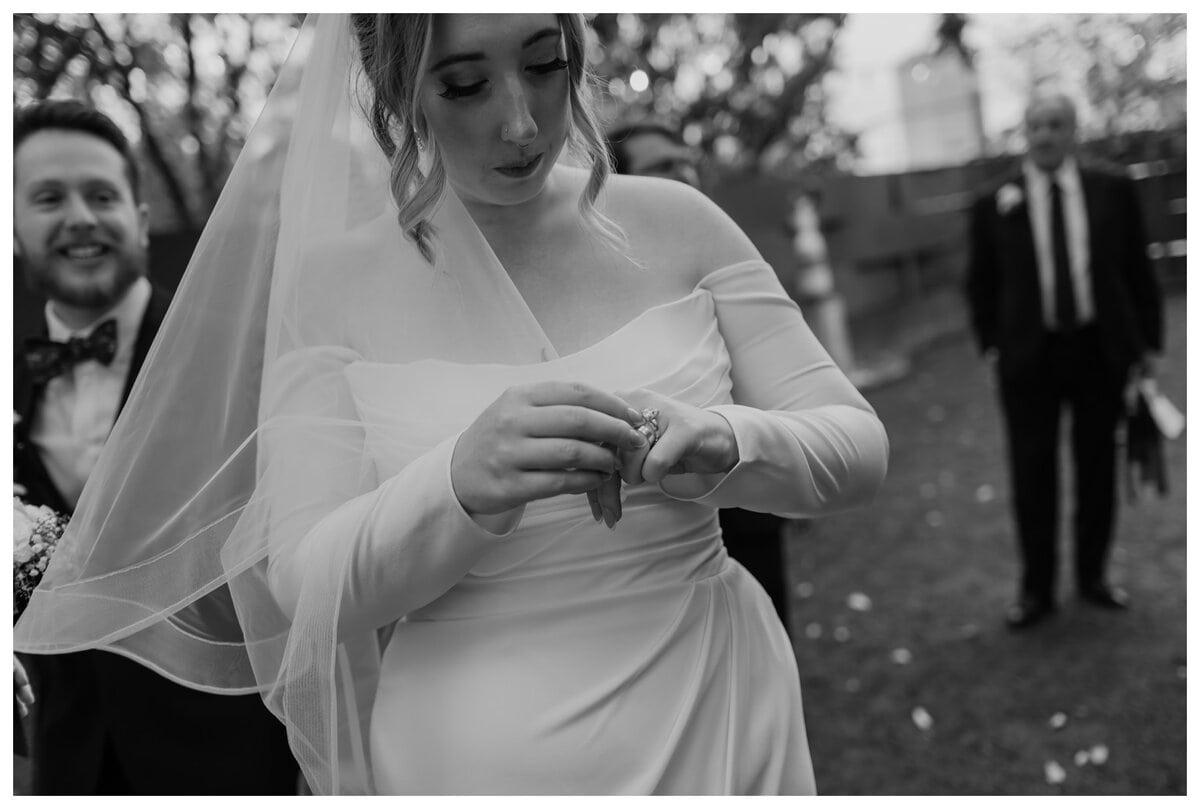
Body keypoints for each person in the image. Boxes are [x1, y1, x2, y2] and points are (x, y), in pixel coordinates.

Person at [15, 15, 888, 795]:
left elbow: (856, 444)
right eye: (465, 84)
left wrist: (732, 438)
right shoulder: (331, 286)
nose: (519, 121)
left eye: (544, 65)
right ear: (401, 95)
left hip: (719, 709)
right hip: (468, 758)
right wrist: (458, 483)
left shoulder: (681, 223)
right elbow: (304, 582)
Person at [12, 100, 299, 794]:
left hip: (225, 758)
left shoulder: (241, 357)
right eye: (49, 197)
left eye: (101, 195)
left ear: (140, 221)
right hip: (66, 761)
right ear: (13, 230)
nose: (79, 216)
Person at [965, 88, 1162, 630]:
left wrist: (1146, 345)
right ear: (1025, 134)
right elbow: (979, 282)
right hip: (1028, 358)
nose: (1045, 135)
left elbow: (1135, 268)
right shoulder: (994, 201)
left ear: (1074, 130)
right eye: (1036, 126)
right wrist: (991, 344)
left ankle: (1093, 577)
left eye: (1056, 124)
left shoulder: (1112, 190)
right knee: (1032, 475)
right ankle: (1037, 591)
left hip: (1099, 350)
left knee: (1097, 468)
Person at [607, 118, 792, 636]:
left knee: (770, 622)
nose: (685, 174)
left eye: (687, 162)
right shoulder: (603, 283)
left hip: (747, 472)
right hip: (658, 513)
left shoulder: (722, 249)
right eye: (665, 167)